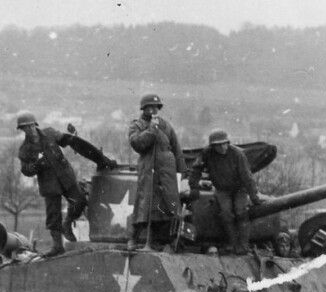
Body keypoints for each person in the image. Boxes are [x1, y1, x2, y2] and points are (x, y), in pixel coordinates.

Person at [15, 111, 117, 256]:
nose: (29, 129)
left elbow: (71, 142)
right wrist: (37, 165)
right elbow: (26, 170)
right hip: (49, 183)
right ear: (22, 130)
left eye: (30, 126)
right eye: (25, 127)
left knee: (80, 202)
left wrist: (101, 159)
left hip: (65, 176)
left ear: (35, 124)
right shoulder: (25, 149)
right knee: (53, 214)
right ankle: (57, 246)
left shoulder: (50, 133)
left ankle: (68, 221)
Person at [127, 94, 188, 251]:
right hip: (149, 168)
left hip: (167, 170)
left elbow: (177, 150)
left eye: (156, 107)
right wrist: (152, 130)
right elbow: (137, 144)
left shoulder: (166, 126)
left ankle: (164, 241)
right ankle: (134, 238)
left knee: (167, 205)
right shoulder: (137, 125)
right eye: (150, 107)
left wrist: (183, 176)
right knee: (145, 203)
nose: (154, 110)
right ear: (144, 109)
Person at [188, 129, 262, 255]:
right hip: (222, 189)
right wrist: (194, 186)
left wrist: (254, 196)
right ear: (213, 146)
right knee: (226, 214)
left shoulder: (237, 154)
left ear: (228, 142)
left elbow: (246, 176)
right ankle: (233, 244)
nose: (223, 147)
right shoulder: (207, 153)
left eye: (225, 143)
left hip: (239, 188)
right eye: (219, 145)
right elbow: (196, 169)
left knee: (241, 212)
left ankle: (243, 246)